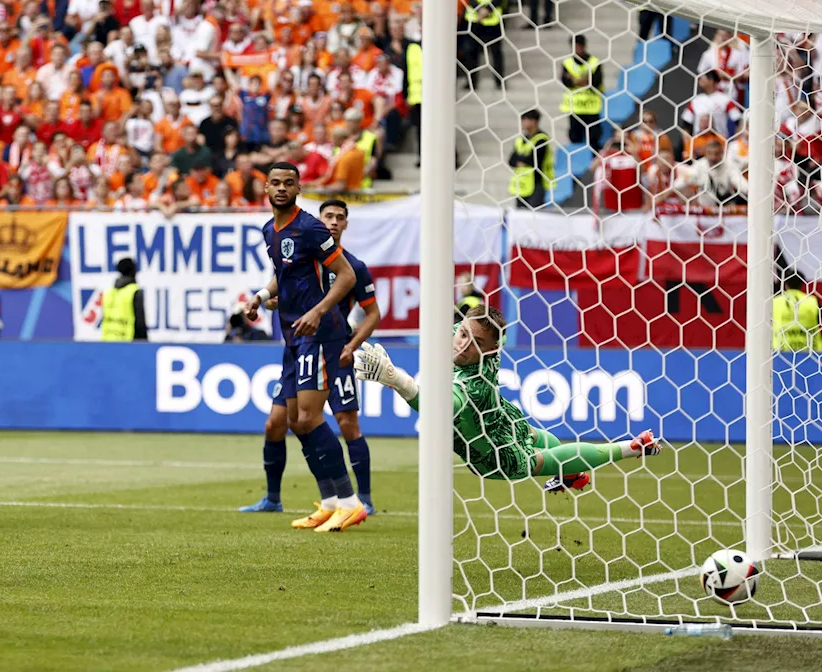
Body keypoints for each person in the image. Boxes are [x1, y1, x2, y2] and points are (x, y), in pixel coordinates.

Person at [353, 305, 660, 493]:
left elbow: (439, 408)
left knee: (546, 459)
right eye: (462, 334)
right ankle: (572, 475)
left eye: (476, 343)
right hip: (499, 417)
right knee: (534, 434)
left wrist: (399, 381)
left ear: (490, 350)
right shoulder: (467, 338)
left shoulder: (472, 385)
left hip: (493, 454)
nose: (463, 345)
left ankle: (632, 448)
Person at [241, 162, 365, 533]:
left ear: (298, 188)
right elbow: (284, 274)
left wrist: (319, 310)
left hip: (319, 333)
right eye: (275, 183)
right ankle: (328, 503)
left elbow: (347, 276)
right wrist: (261, 297)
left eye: (288, 183)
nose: (281, 188)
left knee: (310, 418)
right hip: (292, 335)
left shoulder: (310, 227)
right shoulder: (270, 229)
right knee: (292, 422)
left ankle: (350, 502)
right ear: (266, 188)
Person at [560, 34, 605, 150]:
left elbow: (596, 81)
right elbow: (566, 81)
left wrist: (575, 79)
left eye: (579, 46)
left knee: (594, 137)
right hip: (575, 107)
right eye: (574, 46)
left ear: (584, 46)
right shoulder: (567, 62)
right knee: (575, 138)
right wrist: (585, 78)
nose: (577, 49)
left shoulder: (594, 62)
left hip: (592, 107)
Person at [508, 109, 553, 208]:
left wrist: (520, 159)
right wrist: (523, 160)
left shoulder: (542, 139)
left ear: (533, 121)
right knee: (521, 215)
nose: (522, 123)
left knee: (534, 213)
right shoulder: (521, 139)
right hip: (521, 183)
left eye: (525, 120)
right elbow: (511, 160)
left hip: (537, 182)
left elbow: (534, 160)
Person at [101, 257, 147, 341]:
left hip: (107, 342)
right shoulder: (134, 292)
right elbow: (140, 323)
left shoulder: (109, 293)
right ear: (133, 271)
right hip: (128, 343)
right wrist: (144, 344)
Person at [773, 273, 821, 352]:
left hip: (781, 348)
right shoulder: (812, 301)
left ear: (785, 284)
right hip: (810, 349)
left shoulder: (775, 301)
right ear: (802, 284)